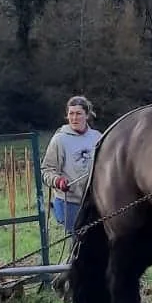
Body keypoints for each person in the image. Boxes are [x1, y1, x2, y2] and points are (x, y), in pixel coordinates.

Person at [40, 95, 102, 238]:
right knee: (79, 241)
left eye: (79, 113)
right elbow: (46, 170)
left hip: (94, 201)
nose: (74, 118)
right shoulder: (60, 139)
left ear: (87, 115)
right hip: (69, 202)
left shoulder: (97, 137)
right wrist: (58, 181)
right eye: (71, 114)